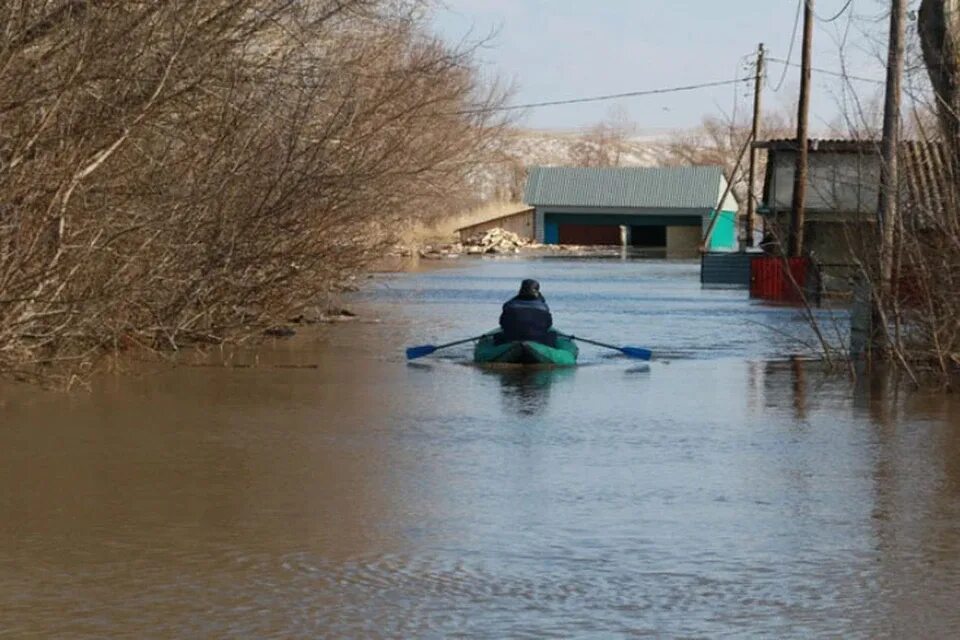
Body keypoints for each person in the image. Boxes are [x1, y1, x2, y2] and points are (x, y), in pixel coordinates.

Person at [497, 279, 555, 346]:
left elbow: (502, 323)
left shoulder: (509, 305)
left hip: (512, 338)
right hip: (537, 338)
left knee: (498, 336)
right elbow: (548, 325)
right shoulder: (544, 307)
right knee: (552, 334)